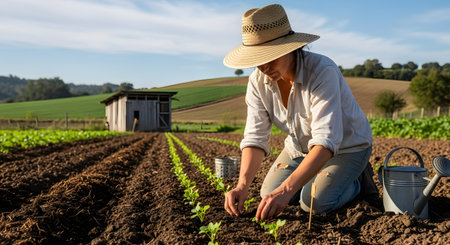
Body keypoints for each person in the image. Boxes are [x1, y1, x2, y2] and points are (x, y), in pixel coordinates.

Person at [223, 4, 377, 221]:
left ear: (289, 48)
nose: (264, 66)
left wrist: (286, 191)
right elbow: (255, 137)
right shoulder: (257, 83)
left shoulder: (322, 72)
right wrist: (242, 185)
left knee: (314, 202)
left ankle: (357, 182)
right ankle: (323, 179)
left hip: (347, 148)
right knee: (268, 194)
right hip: (300, 149)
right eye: (257, 59)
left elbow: (326, 140)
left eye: (270, 56)